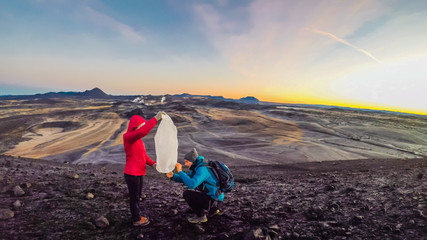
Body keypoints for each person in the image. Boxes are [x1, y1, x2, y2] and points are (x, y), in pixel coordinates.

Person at [123, 111, 165, 227]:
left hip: (138, 173)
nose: (143, 127)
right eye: (141, 125)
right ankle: (136, 219)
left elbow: (143, 156)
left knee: (137, 196)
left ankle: (136, 215)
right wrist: (155, 118)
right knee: (134, 197)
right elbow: (143, 131)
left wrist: (153, 164)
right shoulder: (128, 137)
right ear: (135, 125)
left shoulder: (138, 140)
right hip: (132, 174)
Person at [166, 148, 224, 224]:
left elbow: (192, 184)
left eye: (187, 162)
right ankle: (214, 209)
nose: (185, 164)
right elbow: (186, 178)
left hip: (214, 200)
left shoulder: (202, 169)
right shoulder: (198, 167)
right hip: (215, 199)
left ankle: (201, 216)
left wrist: (180, 171)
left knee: (187, 194)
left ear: (193, 161)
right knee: (196, 193)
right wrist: (173, 176)